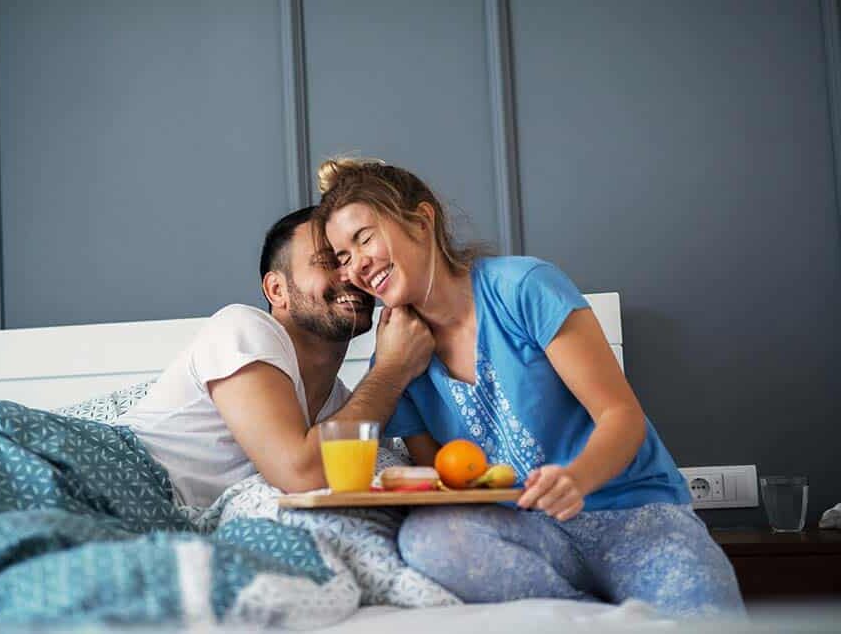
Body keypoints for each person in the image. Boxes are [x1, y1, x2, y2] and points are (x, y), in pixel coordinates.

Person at [311, 158, 743, 617]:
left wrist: (576, 479)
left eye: (365, 238)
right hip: (528, 534)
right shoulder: (397, 357)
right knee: (427, 539)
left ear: (421, 220)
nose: (357, 265)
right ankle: (595, 620)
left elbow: (621, 416)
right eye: (343, 257)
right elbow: (443, 478)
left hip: (634, 515)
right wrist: (391, 373)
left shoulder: (523, 287)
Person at [120, 206, 434, 507]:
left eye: (350, 261)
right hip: (116, 477)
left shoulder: (346, 408)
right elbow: (301, 473)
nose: (351, 275)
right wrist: (393, 369)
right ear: (276, 290)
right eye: (329, 262)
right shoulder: (240, 327)